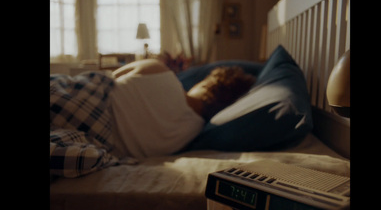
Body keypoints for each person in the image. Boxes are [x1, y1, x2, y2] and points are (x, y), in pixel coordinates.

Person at [51, 59, 256, 160]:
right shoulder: (189, 136)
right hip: (86, 140)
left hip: (76, 100)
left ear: (207, 83)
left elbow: (109, 76)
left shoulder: (158, 70)